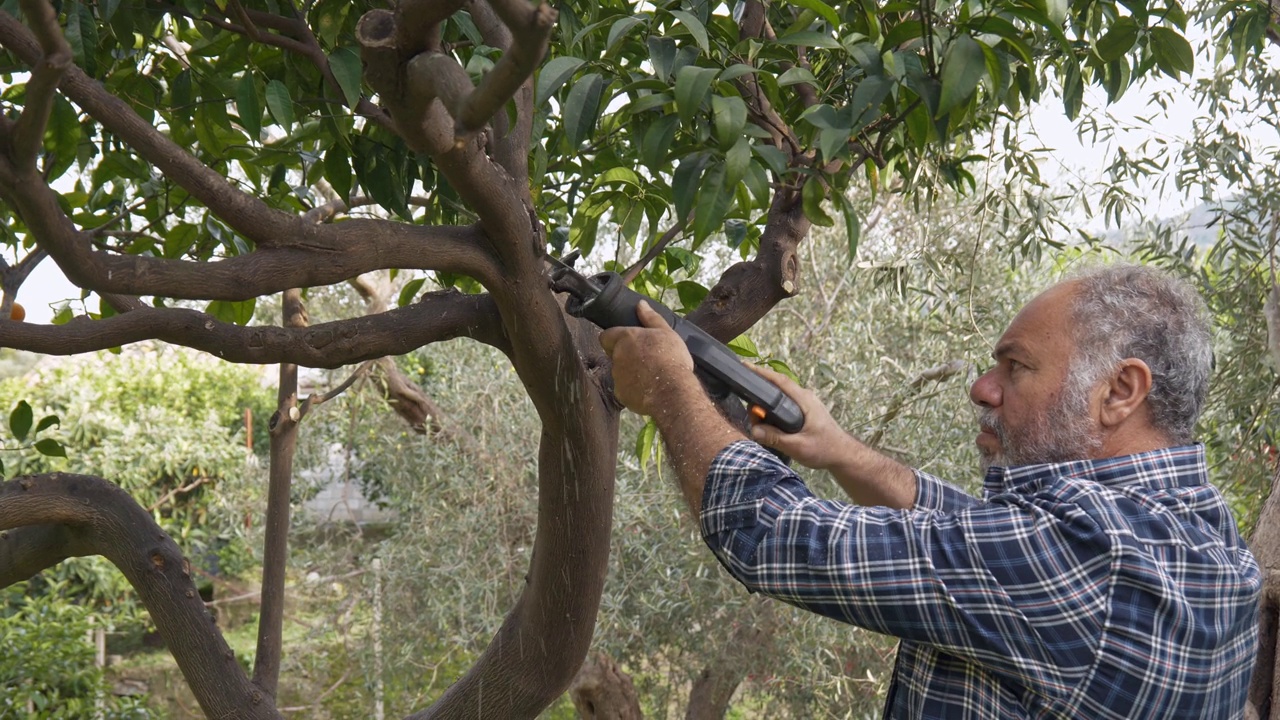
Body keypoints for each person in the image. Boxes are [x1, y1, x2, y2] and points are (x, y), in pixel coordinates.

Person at [600, 264, 1260, 719]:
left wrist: (670, 391)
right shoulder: (1201, 536)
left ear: (1120, 391)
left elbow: (768, 532)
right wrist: (841, 452)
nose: (983, 387)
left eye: (1016, 366)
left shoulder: (1095, 562)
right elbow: (990, 543)